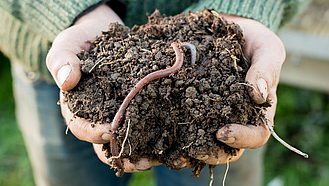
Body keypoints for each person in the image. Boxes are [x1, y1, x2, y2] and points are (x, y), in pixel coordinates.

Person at [0, 0, 310, 185]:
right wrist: (74, 10)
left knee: (216, 141)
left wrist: (245, 9)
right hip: (66, 60)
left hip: (223, 83)